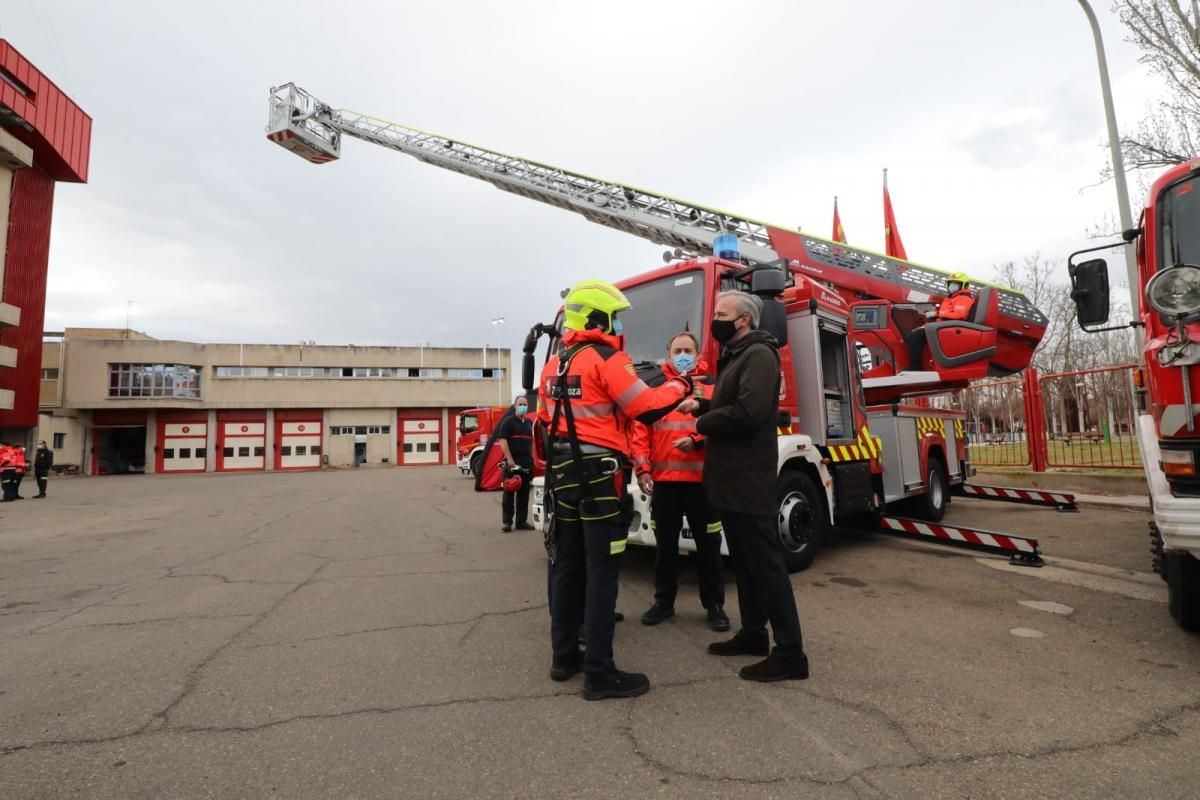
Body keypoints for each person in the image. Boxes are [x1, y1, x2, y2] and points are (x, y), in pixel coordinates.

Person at [538, 278, 692, 701]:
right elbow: (646, 406)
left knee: (567, 567)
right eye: (613, 315)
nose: (616, 323)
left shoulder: (555, 364)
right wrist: (682, 385)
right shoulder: (608, 358)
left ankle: (563, 657)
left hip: (562, 475)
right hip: (602, 478)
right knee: (603, 571)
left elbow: (541, 419)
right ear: (596, 316)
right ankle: (600, 673)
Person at [683, 290, 809, 682]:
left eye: (721, 313)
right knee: (747, 564)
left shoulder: (759, 355)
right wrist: (702, 405)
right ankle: (754, 633)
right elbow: (732, 401)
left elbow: (750, 411)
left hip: (749, 479)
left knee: (767, 566)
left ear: (744, 321)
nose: (714, 319)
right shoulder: (737, 356)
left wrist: (702, 424)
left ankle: (790, 654)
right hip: (730, 479)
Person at [631, 332, 729, 632]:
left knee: (709, 549)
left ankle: (714, 606)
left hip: (702, 482)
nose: (683, 354)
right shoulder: (655, 387)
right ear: (668, 352)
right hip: (665, 484)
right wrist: (643, 469)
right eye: (678, 350)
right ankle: (664, 602)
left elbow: (723, 422)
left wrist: (696, 441)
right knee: (665, 549)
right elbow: (640, 430)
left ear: (697, 352)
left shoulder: (712, 385)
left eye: (688, 349)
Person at [903, 271, 977, 372]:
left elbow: (960, 315)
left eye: (955, 284)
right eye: (950, 283)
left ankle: (916, 366)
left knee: (915, 336)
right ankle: (922, 364)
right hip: (943, 325)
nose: (952, 286)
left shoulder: (963, 298)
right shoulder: (952, 298)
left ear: (964, 285)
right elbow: (949, 312)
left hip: (949, 327)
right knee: (911, 336)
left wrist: (940, 315)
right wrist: (936, 313)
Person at [495, 395, 535, 532]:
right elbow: (503, 440)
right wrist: (510, 459)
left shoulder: (529, 423)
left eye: (525, 404)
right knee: (509, 492)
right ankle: (507, 522)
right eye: (520, 404)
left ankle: (521, 522)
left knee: (524, 494)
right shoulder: (508, 422)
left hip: (526, 463)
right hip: (512, 463)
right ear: (515, 406)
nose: (523, 406)